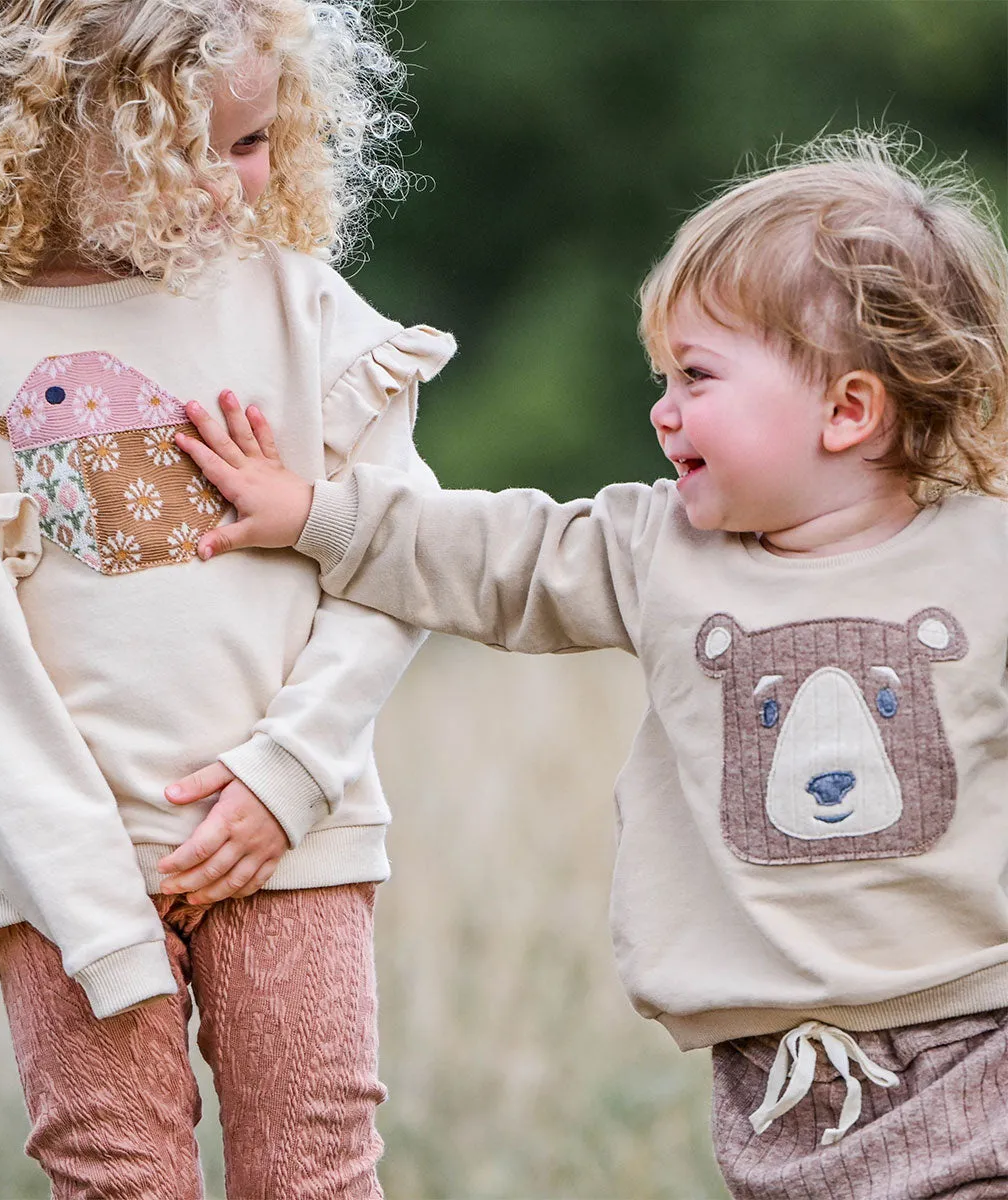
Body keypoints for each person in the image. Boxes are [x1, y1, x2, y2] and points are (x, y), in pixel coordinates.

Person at [174, 131, 1008, 1198]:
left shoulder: (985, 559)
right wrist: (316, 514)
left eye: (696, 376)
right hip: (780, 1072)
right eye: (662, 376)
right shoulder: (658, 553)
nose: (662, 409)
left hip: (980, 1030)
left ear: (849, 408)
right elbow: (496, 557)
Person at [0, 1, 455, 1195]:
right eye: (185, 148)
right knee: (115, 1176)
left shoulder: (299, 304)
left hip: (287, 837)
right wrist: (90, 903)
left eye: (254, 142)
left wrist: (289, 772)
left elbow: (400, 557)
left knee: (316, 1169)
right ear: (46, 133)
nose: (229, 186)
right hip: (58, 863)